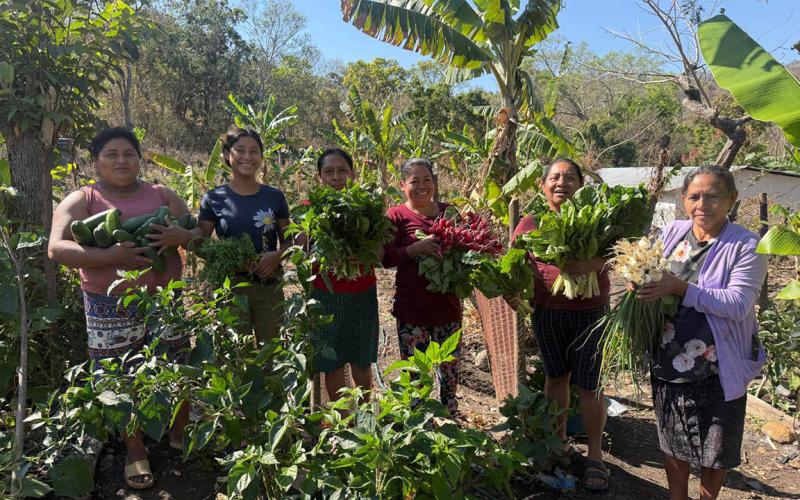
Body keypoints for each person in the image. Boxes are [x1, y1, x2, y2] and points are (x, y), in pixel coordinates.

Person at [48, 127, 191, 490]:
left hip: (165, 299)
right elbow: (57, 248)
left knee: (176, 364)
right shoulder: (83, 199)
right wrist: (109, 255)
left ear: (140, 158)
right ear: (95, 161)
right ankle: (135, 450)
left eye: (128, 153)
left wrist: (184, 237)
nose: (122, 160)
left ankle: (178, 432)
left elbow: (197, 232)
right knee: (117, 377)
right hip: (107, 304)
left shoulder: (163, 194)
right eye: (111, 154)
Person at [635, 165, 767, 500]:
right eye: (694, 196)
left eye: (712, 196)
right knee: (673, 441)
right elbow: (645, 270)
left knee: (716, 447)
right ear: (683, 200)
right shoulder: (672, 233)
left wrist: (681, 288)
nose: (702, 204)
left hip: (717, 364)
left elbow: (738, 304)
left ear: (731, 199)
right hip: (668, 356)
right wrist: (638, 279)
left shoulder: (746, 245)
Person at [511, 158, 611, 491]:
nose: (561, 183)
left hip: (591, 312)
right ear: (542, 185)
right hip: (548, 310)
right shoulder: (531, 222)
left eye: (569, 178)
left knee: (590, 384)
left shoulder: (598, 219)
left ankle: (595, 455)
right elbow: (514, 263)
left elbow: (619, 254)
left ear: (581, 184)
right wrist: (512, 290)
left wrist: (590, 264)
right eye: (554, 178)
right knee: (555, 378)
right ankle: (558, 445)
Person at [195, 127, 290, 343]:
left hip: (269, 285)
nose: (248, 157)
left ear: (261, 156)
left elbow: (289, 240)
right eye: (240, 150)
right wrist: (231, 261)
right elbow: (202, 241)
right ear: (227, 155)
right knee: (236, 355)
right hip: (231, 288)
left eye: (254, 151)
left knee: (272, 351)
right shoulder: (213, 198)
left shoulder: (274, 197)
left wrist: (276, 256)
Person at [383, 158, 462, 415]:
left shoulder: (450, 213)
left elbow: (467, 252)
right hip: (412, 310)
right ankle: (418, 428)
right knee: (417, 375)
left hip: (447, 309)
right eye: (414, 181)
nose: (422, 186)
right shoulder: (395, 216)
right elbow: (385, 258)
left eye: (427, 180)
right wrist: (413, 249)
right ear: (402, 185)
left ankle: (450, 425)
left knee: (449, 377)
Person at [306, 148, 380, 403]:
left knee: (362, 358)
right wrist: (321, 255)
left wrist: (364, 254)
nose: (336, 177)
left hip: (362, 292)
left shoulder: (366, 206)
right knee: (332, 361)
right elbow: (298, 247)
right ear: (319, 176)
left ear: (352, 173)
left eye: (342, 171)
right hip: (326, 295)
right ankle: (342, 419)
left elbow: (381, 249)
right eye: (329, 172)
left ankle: (365, 413)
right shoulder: (310, 210)